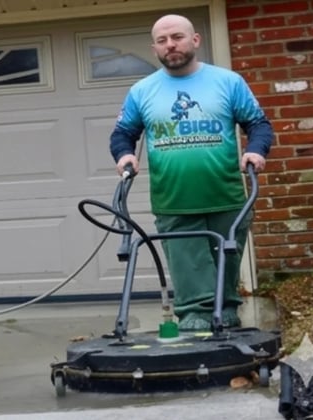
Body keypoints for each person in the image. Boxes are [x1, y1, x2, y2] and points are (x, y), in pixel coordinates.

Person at [109, 14, 273, 330]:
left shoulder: (228, 82)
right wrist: (125, 154)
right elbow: (122, 133)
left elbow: (258, 124)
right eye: (162, 40)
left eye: (177, 37)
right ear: (154, 47)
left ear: (195, 40)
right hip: (174, 198)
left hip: (226, 196)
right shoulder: (142, 91)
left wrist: (255, 149)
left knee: (227, 259)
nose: (170, 45)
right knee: (189, 271)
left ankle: (226, 315)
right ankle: (194, 320)